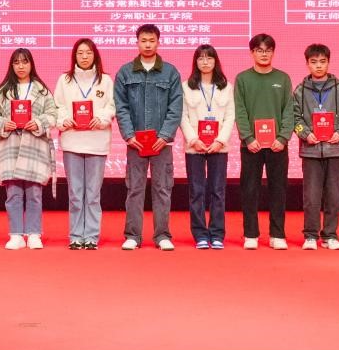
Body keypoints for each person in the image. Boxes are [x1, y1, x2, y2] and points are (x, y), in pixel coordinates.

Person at [113, 24, 183, 251]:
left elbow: (175, 107)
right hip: (135, 143)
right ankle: (132, 235)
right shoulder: (125, 72)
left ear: (158, 42)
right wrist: (128, 135)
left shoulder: (170, 72)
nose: (148, 45)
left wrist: (165, 135)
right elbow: (121, 107)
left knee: (162, 188)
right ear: (137, 42)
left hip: (162, 143)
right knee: (134, 189)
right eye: (143, 40)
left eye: (152, 40)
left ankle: (162, 235)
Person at [0, 48, 58, 249]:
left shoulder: (42, 91)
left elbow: (53, 115)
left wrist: (39, 122)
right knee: (13, 194)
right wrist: (3, 123)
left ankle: (34, 234)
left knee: (34, 193)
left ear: (31, 64)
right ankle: (16, 234)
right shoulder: (2, 91)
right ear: (11, 65)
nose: (20, 66)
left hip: (34, 147)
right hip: (9, 147)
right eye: (16, 62)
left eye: (24, 62)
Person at [232, 34, 295, 250]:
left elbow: (289, 111)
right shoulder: (242, 79)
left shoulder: (283, 78)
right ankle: (251, 234)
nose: (264, 54)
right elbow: (240, 110)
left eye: (268, 50)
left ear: (273, 52)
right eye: (259, 50)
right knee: (249, 190)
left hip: (278, 145)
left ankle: (277, 234)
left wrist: (283, 137)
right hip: (251, 146)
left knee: (278, 190)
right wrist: (248, 137)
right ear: (252, 53)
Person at [53, 38, 115, 249]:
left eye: (88, 52)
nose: (84, 57)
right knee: (75, 194)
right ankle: (75, 236)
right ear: (74, 56)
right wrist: (64, 120)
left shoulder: (105, 80)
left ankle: (91, 237)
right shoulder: (65, 80)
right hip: (72, 142)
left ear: (95, 55)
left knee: (93, 194)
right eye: (80, 53)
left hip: (97, 142)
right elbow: (57, 106)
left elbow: (112, 106)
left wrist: (102, 118)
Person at [293, 44, 339, 251]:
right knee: (311, 196)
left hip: (336, 149)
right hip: (310, 150)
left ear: (328, 62)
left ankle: (330, 235)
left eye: (322, 61)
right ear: (307, 64)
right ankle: (310, 235)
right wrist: (305, 134)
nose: (318, 66)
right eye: (314, 62)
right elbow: (295, 119)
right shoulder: (300, 90)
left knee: (333, 195)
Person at [180, 44, 236, 249]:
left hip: (218, 147)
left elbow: (230, 116)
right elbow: (182, 116)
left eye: (209, 58)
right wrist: (193, 139)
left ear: (215, 61)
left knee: (218, 190)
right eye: (201, 58)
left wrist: (220, 140)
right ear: (195, 62)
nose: (205, 62)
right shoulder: (186, 87)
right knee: (196, 191)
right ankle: (200, 234)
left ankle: (217, 234)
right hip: (194, 146)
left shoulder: (226, 87)